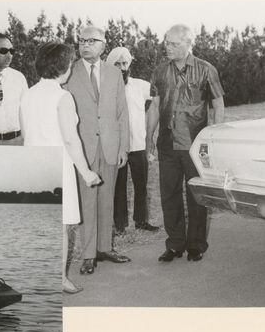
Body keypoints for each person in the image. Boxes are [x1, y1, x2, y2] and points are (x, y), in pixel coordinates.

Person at [19, 41, 103, 294]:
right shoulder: (63, 96)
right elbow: (70, 139)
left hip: (33, 164)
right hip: (57, 164)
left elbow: (25, 132)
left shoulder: (28, 94)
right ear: (64, 67)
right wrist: (86, 172)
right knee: (61, 226)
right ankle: (59, 279)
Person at [150, 24, 225, 263]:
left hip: (195, 145)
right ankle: (174, 245)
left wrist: (213, 137)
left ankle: (196, 245)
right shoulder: (160, 71)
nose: (168, 47)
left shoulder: (206, 69)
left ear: (187, 43)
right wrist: (147, 136)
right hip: (167, 144)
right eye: (166, 43)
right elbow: (154, 105)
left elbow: (218, 104)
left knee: (196, 196)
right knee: (169, 195)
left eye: (173, 44)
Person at [64, 26, 131, 274]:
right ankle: (89, 254)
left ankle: (105, 247)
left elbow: (122, 113)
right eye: (82, 41)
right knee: (87, 202)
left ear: (104, 46)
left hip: (111, 146)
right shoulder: (69, 73)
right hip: (84, 147)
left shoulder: (115, 74)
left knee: (107, 199)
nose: (85, 45)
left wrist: (123, 146)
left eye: (92, 41)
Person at [107, 46, 160, 234]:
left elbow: (157, 97)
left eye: (125, 63)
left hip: (138, 143)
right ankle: (119, 224)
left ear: (130, 64)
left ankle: (141, 220)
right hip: (117, 146)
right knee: (118, 187)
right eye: (117, 64)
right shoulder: (104, 87)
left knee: (141, 184)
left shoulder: (140, 85)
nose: (122, 67)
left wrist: (150, 135)